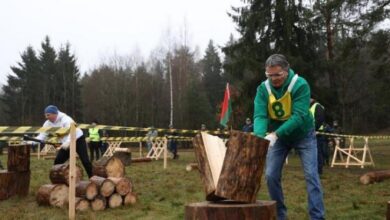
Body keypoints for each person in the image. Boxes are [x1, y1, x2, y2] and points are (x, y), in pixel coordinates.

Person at [254, 54, 325, 220]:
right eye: (269, 75)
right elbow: (260, 115)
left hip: (303, 135)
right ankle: (280, 216)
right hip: (279, 138)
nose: (273, 79)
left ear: (286, 71)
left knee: (311, 175)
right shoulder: (263, 89)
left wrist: (275, 134)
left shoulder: (300, 85)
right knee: (270, 175)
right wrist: (259, 137)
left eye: (277, 75)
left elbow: (299, 116)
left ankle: (317, 217)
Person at [35, 105, 93, 178]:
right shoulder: (47, 123)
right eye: (45, 115)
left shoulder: (66, 119)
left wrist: (68, 142)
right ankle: (57, 181)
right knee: (58, 161)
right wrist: (32, 141)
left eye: (48, 115)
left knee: (85, 161)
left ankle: (92, 178)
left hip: (78, 139)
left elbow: (73, 130)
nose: (47, 117)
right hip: (66, 143)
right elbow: (42, 135)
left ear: (54, 114)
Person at [310, 98, 326, 175]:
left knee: (318, 152)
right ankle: (314, 170)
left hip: (317, 133)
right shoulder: (309, 107)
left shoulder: (317, 106)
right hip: (311, 133)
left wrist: (315, 129)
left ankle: (319, 171)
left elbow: (319, 119)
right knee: (312, 153)